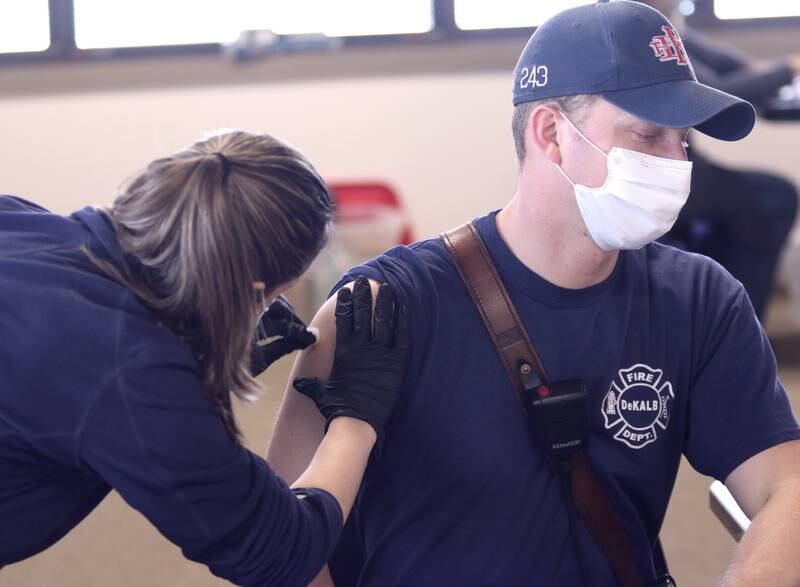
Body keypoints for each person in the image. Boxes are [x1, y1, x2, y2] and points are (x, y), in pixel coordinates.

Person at [267, 2, 800, 586]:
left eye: (684, 141)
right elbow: (283, 544)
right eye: (649, 134)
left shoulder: (699, 299)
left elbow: (787, 486)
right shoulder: (383, 307)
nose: (676, 163)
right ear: (551, 134)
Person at [0, 130, 409, 587]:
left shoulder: (18, 218)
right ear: (254, 294)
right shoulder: (132, 370)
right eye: (274, 293)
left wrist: (195, 352)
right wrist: (356, 419)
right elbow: (282, 554)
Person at [641, 0, 800, 319]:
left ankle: (722, 314)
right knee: (774, 198)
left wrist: (766, 72)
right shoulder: (638, 26)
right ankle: (740, 320)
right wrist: (788, 68)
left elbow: (727, 65)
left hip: (682, 163)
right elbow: (710, 90)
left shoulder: (664, 24)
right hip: (652, 166)